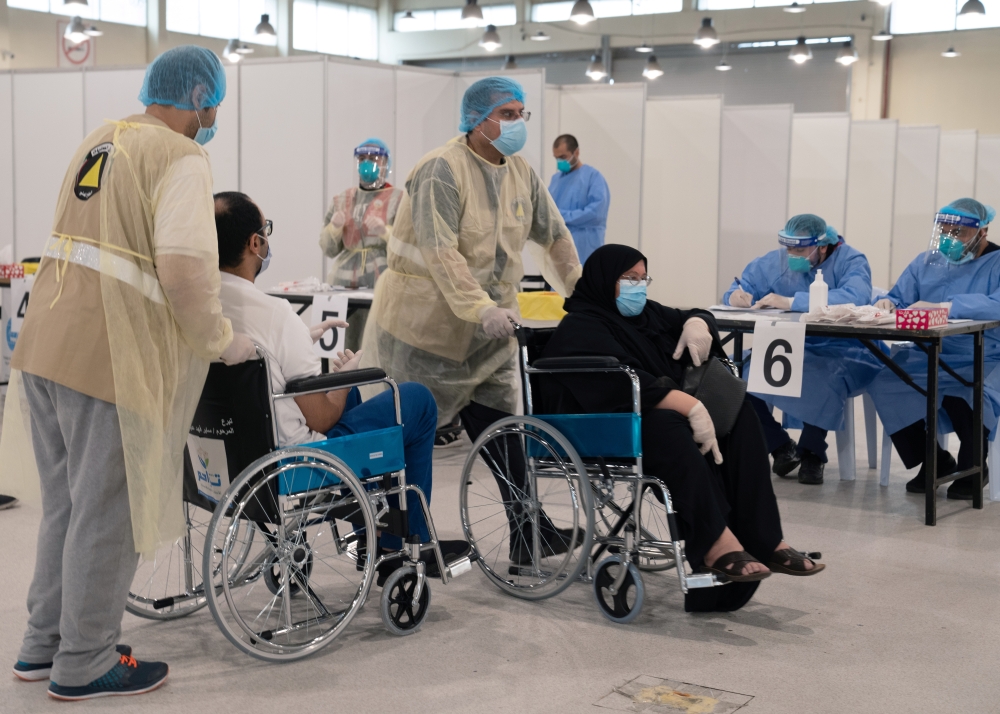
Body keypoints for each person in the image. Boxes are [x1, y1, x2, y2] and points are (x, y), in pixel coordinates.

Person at [4, 46, 256, 700]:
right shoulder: (179, 156)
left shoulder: (101, 139)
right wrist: (219, 338)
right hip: (107, 354)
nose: (214, 115)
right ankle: (86, 660)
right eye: (216, 101)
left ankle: (44, 644)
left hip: (45, 345)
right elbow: (183, 267)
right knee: (107, 513)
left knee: (66, 509)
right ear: (200, 96)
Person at [540, 245, 824, 613]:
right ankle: (715, 543)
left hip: (655, 415)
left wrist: (697, 323)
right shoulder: (582, 325)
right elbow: (613, 387)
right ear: (603, 280)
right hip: (605, 425)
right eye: (628, 279)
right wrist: (689, 404)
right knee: (668, 425)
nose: (638, 287)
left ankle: (767, 539)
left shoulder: (646, 314)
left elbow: (693, 313)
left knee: (742, 413)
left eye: (643, 279)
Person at [215, 191, 468, 583]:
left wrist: (302, 338)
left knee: (349, 397)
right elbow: (321, 415)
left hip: (225, 460)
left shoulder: (200, 307)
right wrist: (343, 375)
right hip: (294, 465)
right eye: (265, 232)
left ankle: (376, 532)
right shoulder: (275, 314)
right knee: (415, 400)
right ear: (254, 243)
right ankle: (406, 541)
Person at [360, 76, 582, 450]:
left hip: (491, 333)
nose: (517, 122)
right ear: (477, 118)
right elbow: (440, 252)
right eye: (506, 113)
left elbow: (555, 235)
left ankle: (522, 508)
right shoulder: (442, 169)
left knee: (503, 434)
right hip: (426, 330)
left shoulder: (521, 172)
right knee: (401, 442)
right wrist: (481, 308)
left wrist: (582, 294)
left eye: (520, 113)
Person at [722, 214, 884, 485]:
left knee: (821, 377)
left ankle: (812, 453)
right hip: (789, 344)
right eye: (789, 248)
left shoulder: (851, 260)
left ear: (822, 246)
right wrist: (734, 296)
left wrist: (791, 301)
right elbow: (740, 286)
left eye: (799, 249)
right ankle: (780, 446)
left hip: (846, 349)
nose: (792, 255)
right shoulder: (774, 262)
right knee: (735, 374)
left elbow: (856, 297)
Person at [868, 197, 1000, 500]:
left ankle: (974, 466)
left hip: (982, 353)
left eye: (959, 233)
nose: (949, 239)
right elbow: (899, 297)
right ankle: (935, 459)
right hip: (927, 353)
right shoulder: (926, 262)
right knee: (885, 382)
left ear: (982, 232)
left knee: (966, 388)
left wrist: (947, 307)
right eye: (945, 230)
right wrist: (885, 303)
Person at [319, 138, 405, 350]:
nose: (368, 164)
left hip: (382, 283)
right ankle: (344, 382)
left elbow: (408, 246)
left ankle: (377, 383)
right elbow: (328, 249)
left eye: (374, 159)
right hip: (344, 283)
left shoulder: (398, 199)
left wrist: (385, 232)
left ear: (385, 164)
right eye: (363, 159)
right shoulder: (343, 199)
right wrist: (334, 229)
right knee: (346, 343)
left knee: (377, 343)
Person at [548, 134, 610, 265]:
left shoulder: (593, 177)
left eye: (563, 157)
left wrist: (561, 216)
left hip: (585, 248)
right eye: (556, 158)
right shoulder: (555, 180)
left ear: (576, 152)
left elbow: (596, 214)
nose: (559, 162)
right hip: (560, 249)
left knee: (584, 282)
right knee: (560, 283)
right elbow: (548, 211)